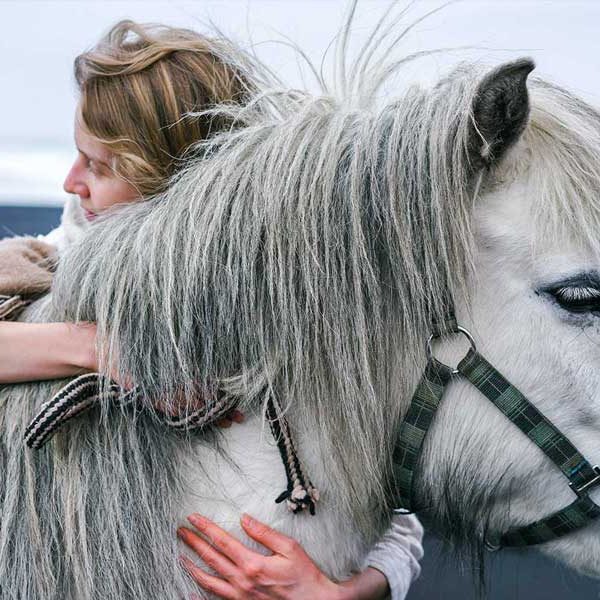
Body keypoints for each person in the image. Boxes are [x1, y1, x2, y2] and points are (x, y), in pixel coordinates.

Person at [0, 21, 424, 599]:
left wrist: (347, 594)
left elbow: (394, 505)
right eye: (78, 157)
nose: (71, 182)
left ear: (172, 180)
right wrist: (104, 348)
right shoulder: (61, 259)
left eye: (102, 166)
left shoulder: (299, 307)